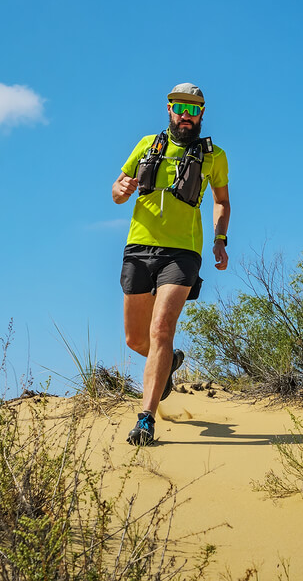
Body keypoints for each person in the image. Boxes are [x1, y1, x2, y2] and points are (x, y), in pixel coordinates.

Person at [112, 82, 230, 446]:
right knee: (137, 339)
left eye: (194, 110)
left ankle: (145, 419)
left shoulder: (215, 156)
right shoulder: (147, 145)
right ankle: (168, 365)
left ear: (202, 114)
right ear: (169, 109)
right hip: (140, 246)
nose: (187, 116)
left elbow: (222, 200)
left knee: (161, 329)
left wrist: (220, 239)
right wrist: (121, 190)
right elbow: (118, 188)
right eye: (181, 108)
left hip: (183, 252)